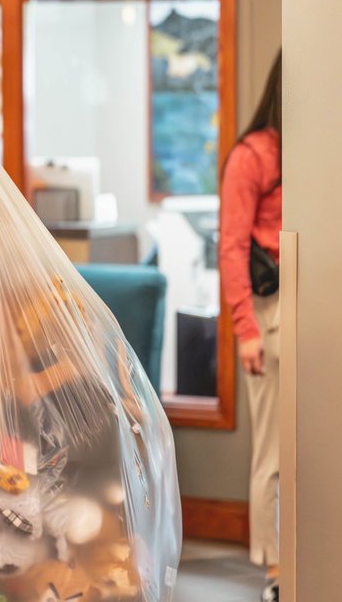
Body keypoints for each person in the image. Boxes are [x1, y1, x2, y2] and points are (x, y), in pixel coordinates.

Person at [220, 50, 282, 602]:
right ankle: (276, 573)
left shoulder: (312, 151)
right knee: (275, 451)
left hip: (311, 310)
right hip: (272, 312)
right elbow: (233, 246)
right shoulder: (254, 155)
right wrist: (247, 329)